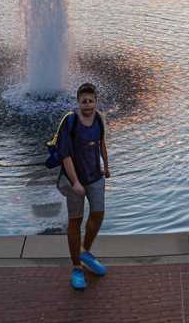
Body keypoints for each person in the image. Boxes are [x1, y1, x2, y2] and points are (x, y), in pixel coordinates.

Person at [53, 82, 111, 291]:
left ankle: (85, 251)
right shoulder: (70, 122)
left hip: (96, 176)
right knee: (75, 222)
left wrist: (106, 166)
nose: (88, 105)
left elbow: (102, 143)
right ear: (78, 103)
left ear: (96, 101)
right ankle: (77, 267)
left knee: (98, 215)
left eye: (91, 101)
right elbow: (65, 155)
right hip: (74, 181)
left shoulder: (99, 119)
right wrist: (76, 182)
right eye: (84, 101)